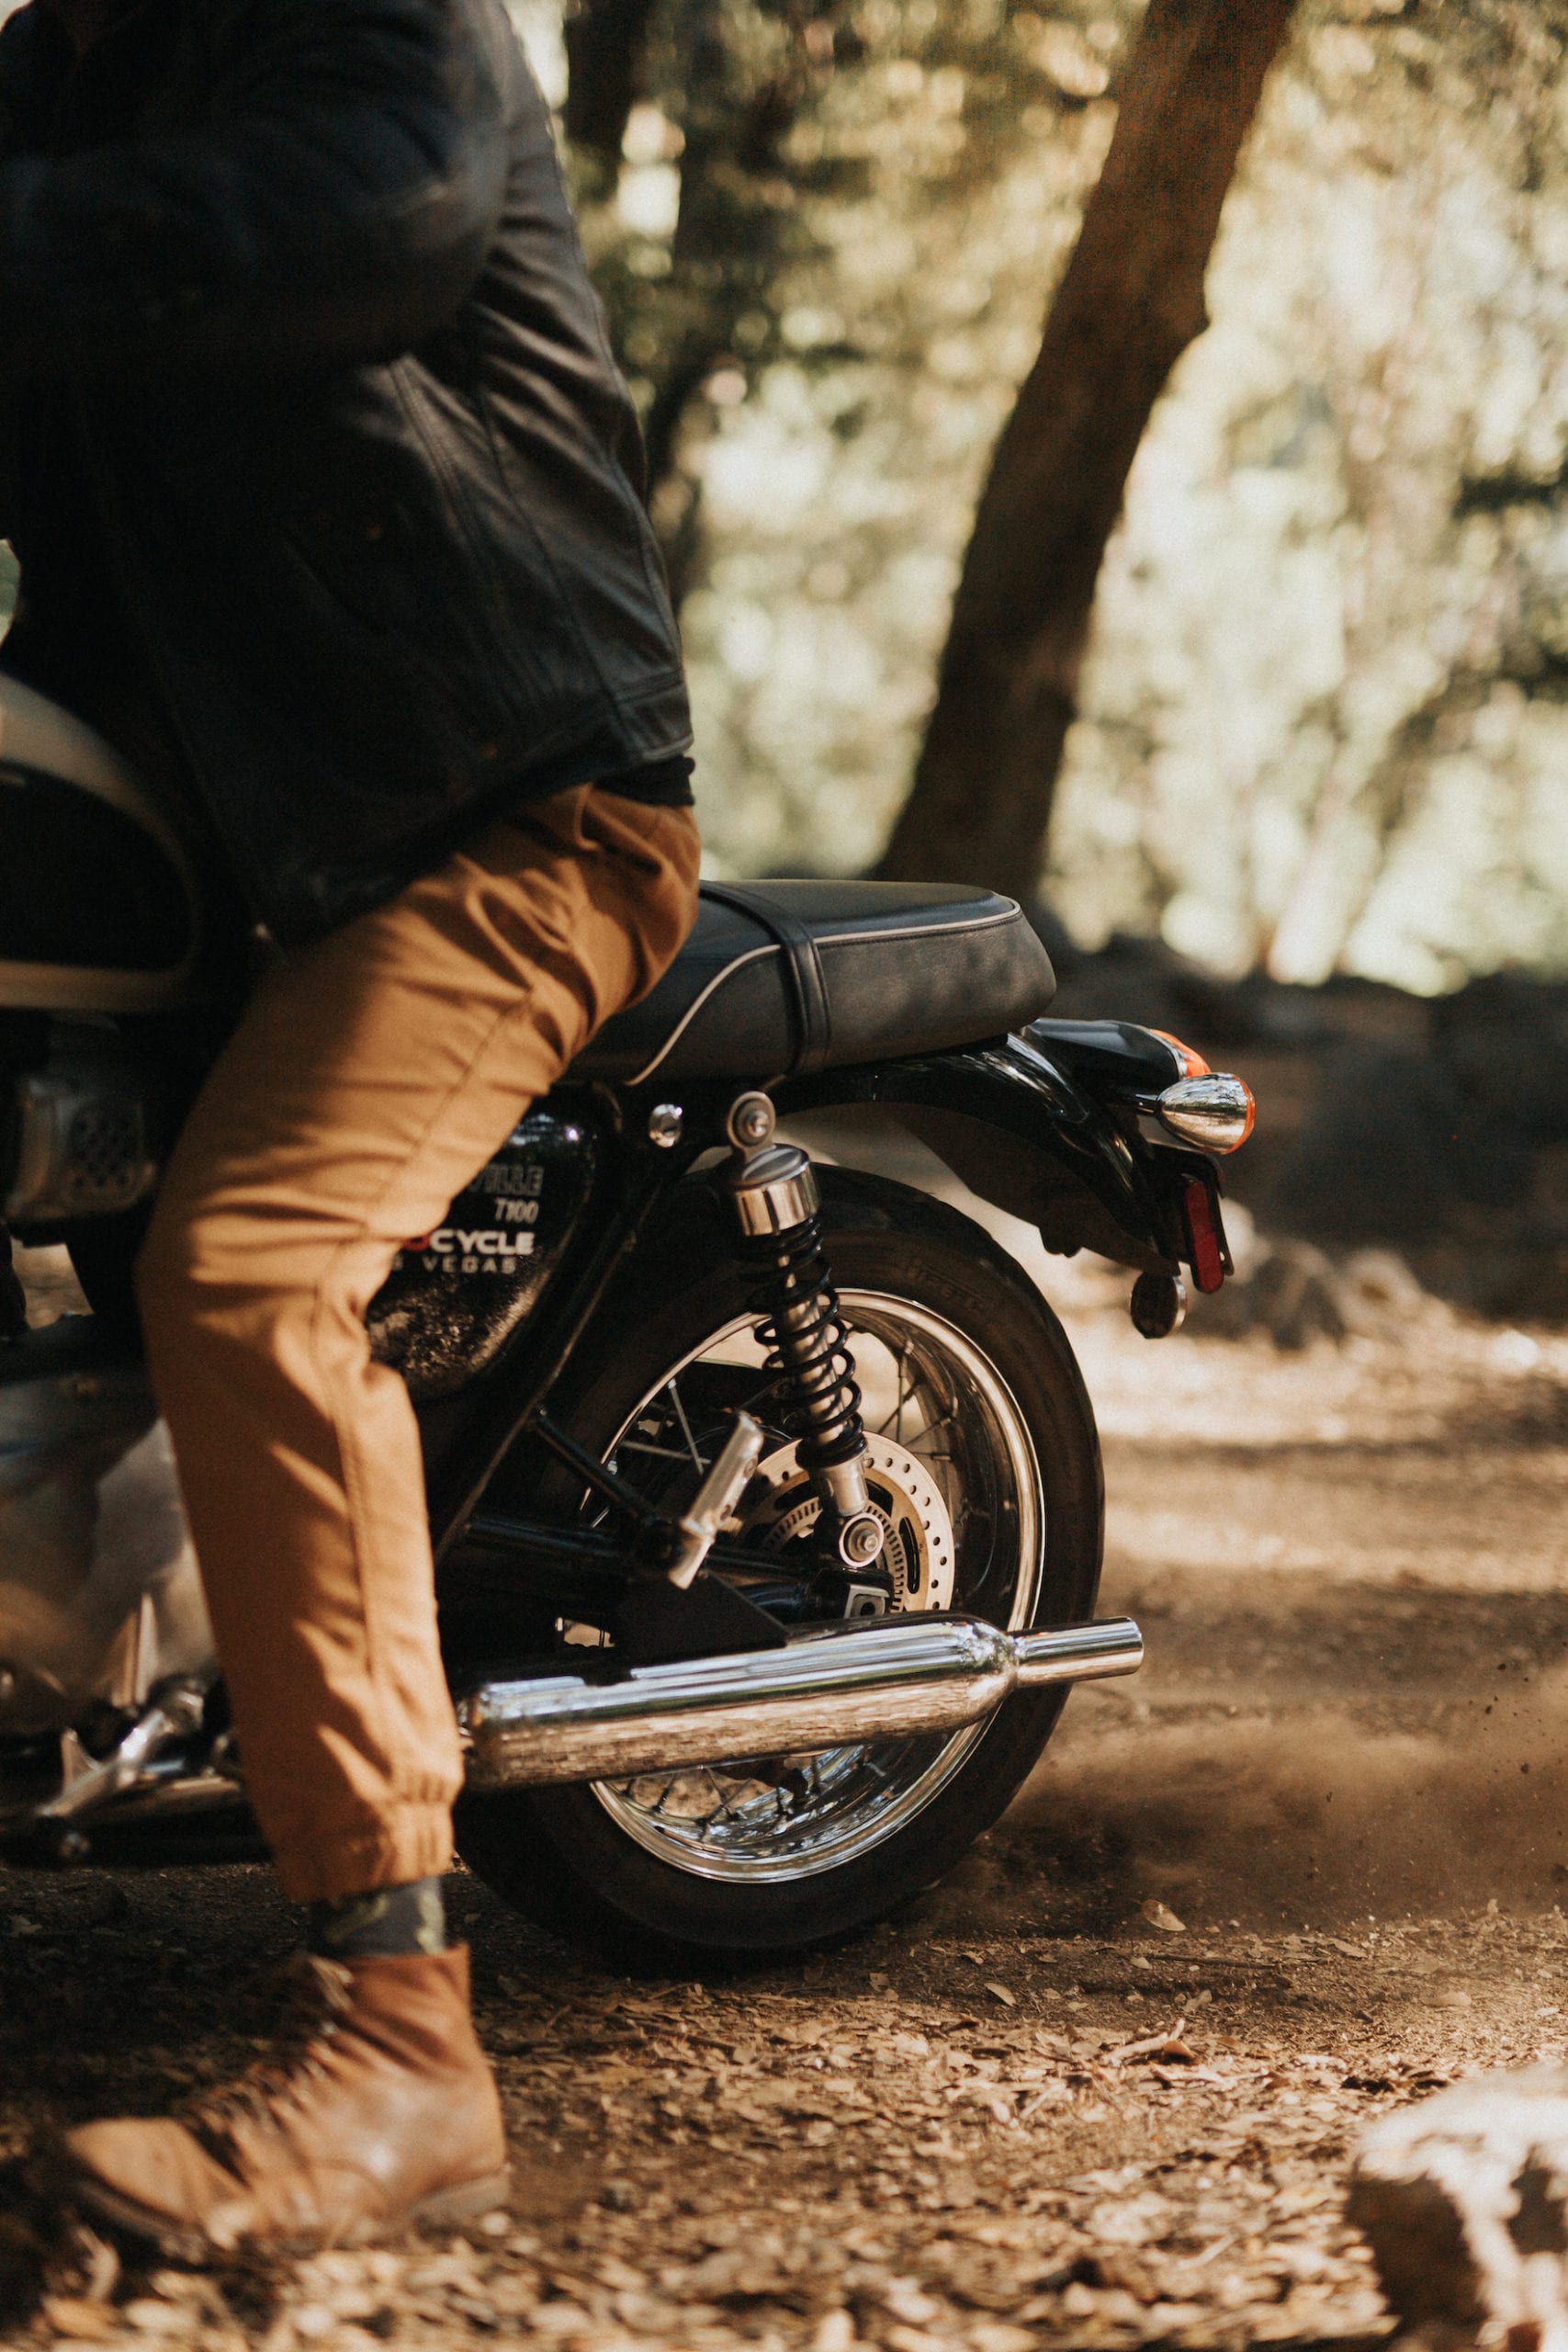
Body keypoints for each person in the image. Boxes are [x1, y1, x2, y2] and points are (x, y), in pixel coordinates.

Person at [0, 0, 700, 2256]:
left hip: (493, 807)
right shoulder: (65, 78)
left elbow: (350, 223)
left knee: (253, 1270)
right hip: (244, 832)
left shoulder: (370, 30)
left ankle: (403, 2050)